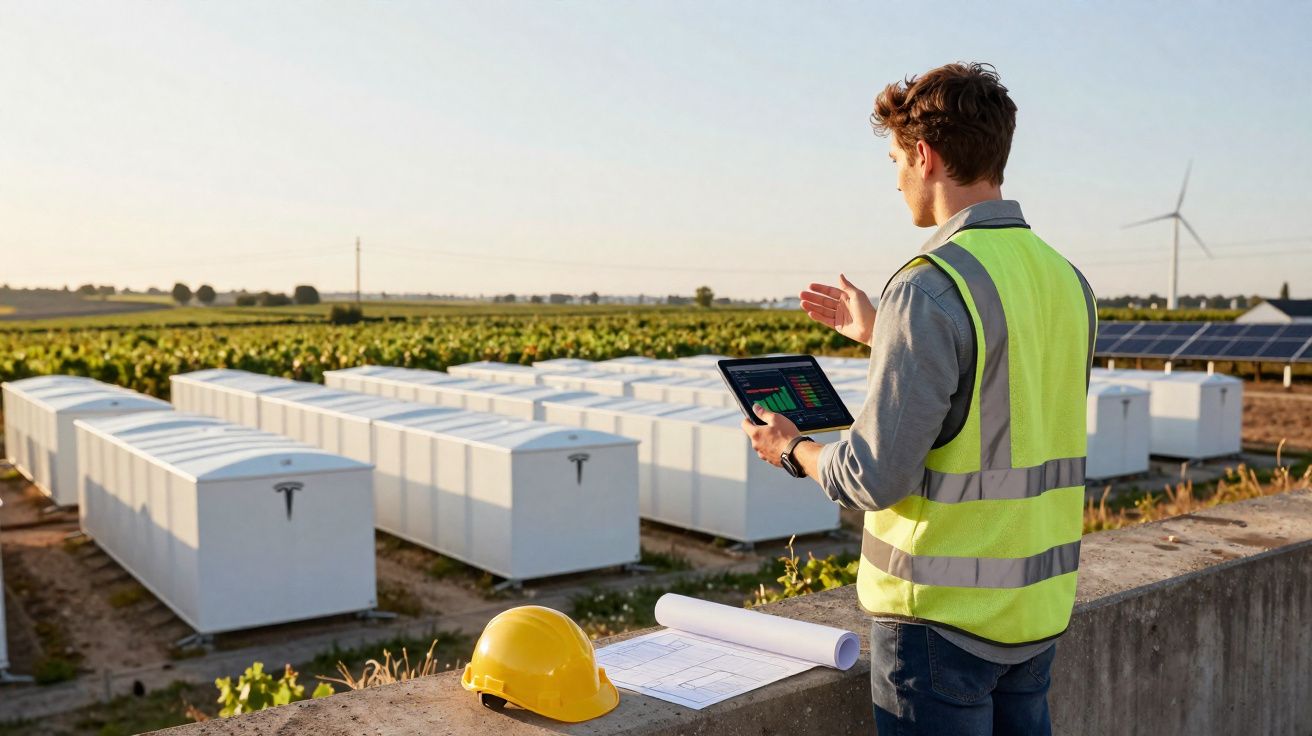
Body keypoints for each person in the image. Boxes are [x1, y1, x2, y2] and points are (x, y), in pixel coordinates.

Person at [740, 62, 1096, 736]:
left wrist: (793, 448)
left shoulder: (930, 285)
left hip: (940, 627)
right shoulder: (1066, 279)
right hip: (1036, 616)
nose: (894, 176)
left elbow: (873, 477)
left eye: (896, 158)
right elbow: (1000, 389)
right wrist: (882, 332)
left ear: (925, 157)